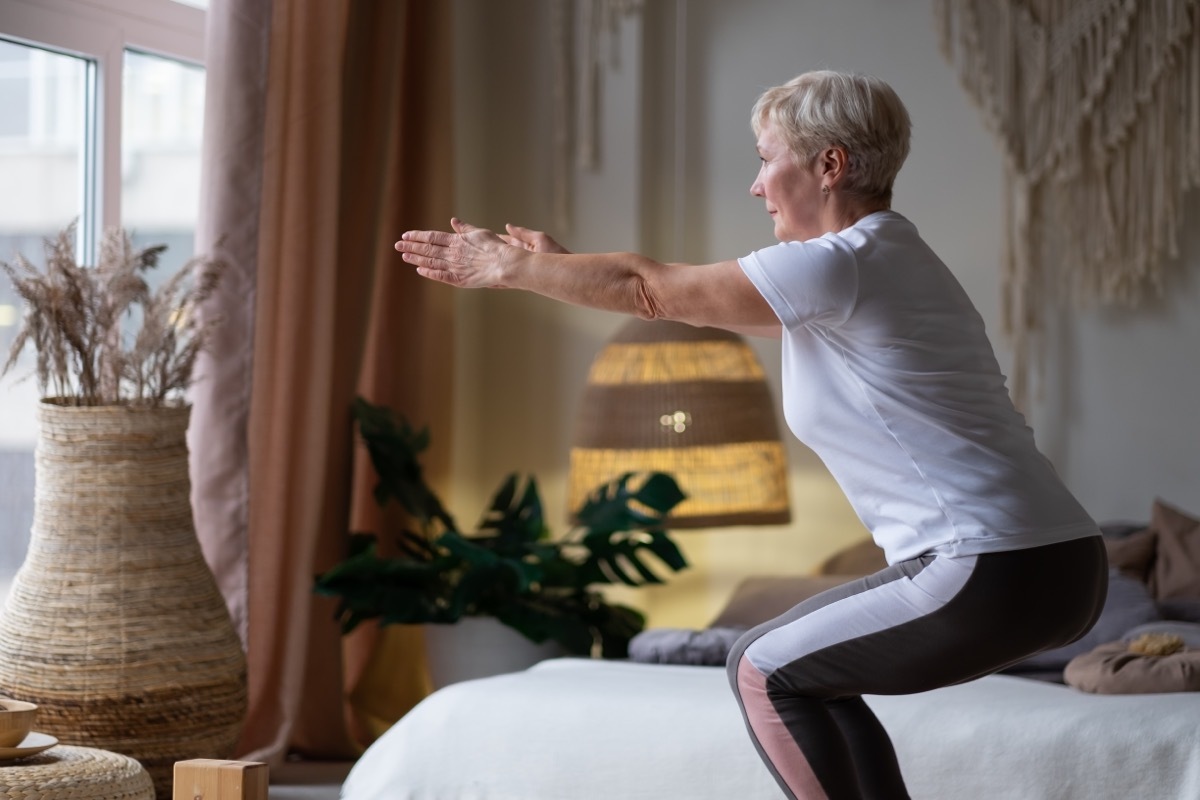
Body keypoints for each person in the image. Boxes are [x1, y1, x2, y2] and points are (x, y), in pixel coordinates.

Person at [396, 70, 1108, 800]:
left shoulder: (840, 264)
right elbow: (673, 304)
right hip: (1060, 564)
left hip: (987, 564)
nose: (756, 185)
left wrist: (513, 267)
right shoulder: (885, 262)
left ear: (829, 165)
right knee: (808, 678)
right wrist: (558, 267)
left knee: (760, 668)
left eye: (768, 159)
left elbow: (648, 288)